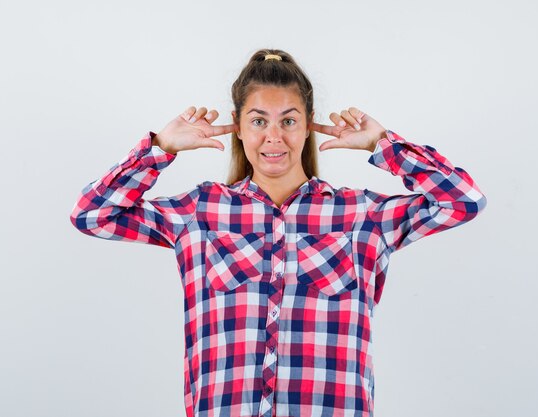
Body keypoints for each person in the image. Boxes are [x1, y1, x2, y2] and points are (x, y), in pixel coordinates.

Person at [70, 48, 487, 417]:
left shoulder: (363, 216)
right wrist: (160, 148)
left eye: (289, 120)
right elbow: (91, 214)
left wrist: (383, 144)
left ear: (307, 127)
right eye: (258, 121)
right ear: (237, 127)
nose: (274, 136)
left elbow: (463, 200)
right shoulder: (197, 213)